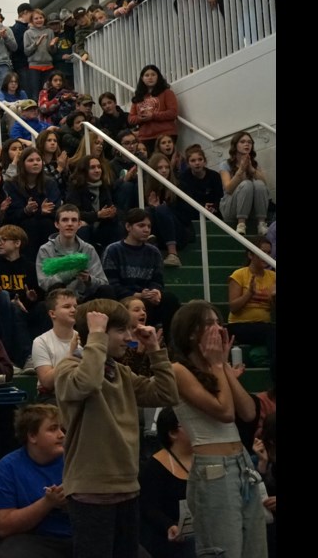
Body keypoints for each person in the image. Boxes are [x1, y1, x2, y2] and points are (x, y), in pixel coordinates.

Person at [55, 298, 178, 558]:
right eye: (120, 331)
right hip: (90, 490)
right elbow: (87, 383)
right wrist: (96, 336)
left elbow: (166, 394)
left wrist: (155, 349)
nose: (128, 338)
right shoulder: (69, 368)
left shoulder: (121, 372)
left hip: (127, 487)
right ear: (98, 332)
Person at [170, 300, 267, 558]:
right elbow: (224, 413)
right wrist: (216, 366)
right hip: (212, 468)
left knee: (255, 548)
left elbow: (247, 412)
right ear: (192, 332)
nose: (218, 329)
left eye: (219, 323)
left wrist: (222, 365)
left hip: (241, 463)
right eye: (209, 324)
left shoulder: (217, 368)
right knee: (225, 549)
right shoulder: (178, 370)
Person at [0, 404, 71, 558]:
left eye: (61, 429)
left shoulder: (74, 459)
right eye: (53, 429)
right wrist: (47, 503)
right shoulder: (8, 467)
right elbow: (2, 526)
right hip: (34, 540)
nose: (61, 435)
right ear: (32, 436)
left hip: (76, 536)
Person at [102, 208, 181, 330]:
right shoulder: (113, 250)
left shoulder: (154, 252)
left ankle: (168, 342)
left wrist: (155, 292)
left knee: (170, 299)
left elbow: (157, 280)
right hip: (123, 297)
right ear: (128, 227)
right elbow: (112, 284)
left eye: (149, 226)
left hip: (147, 296)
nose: (146, 230)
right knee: (135, 303)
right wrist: (137, 295)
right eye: (141, 225)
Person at [139, 407, 197, 558]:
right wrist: (169, 525)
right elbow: (148, 507)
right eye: (189, 423)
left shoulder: (203, 458)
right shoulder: (155, 465)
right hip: (171, 537)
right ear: (172, 433)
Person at [0, 224, 42, 367]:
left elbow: (38, 293)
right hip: (3, 308)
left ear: (17, 243)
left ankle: (44, 355)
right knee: (13, 308)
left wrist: (30, 298)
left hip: (26, 307)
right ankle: (26, 357)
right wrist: (13, 299)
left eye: (4, 239)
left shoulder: (29, 266)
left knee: (44, 307)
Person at [36, 204, 112, 302]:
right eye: (65, 220)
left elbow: (104, 283)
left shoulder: (88, 249)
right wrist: (70, 273)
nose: (70, 224)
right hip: (58, 301)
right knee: (55, 288)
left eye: (74, 220)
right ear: (56, 224)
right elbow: (44, 284)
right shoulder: (45, 249)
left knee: (106, 290)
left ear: (79, 224)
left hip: (84, 300)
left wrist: (89, 279)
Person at [227, 234, 276, 377]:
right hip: (241, 325)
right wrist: (249, 294)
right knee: (271, 332)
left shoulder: (273, 276)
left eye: (268, 253)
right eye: (262, 253)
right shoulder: (239, 275)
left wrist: (274, 299)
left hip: (264, 325)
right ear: (250, 255)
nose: (266, 256)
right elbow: (233, 308)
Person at [31, 289, 79, 404]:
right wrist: (70, 355)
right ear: (52, 313)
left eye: (75, 307)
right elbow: (47, 382)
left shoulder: (84, 336)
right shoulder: (41, 341)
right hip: (52, 398)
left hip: (79, 394)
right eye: (67, 307)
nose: (73, 310)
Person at [219, 132, 270, 235]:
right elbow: (228, 189)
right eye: (242, 142)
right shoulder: (225, 164)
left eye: (249, 142)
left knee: (259, 184)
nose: (247, 144)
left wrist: (251, 169)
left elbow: (264, 186)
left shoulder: (255, 164)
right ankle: (241, 224)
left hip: (250, 210)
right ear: (235, 145)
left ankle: (261, 224)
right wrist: (241, 170)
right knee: (246, 184)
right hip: (230, 208)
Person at [129, 65, 178, 151]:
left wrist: (153, 116)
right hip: (145, 138)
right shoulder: (138, 97)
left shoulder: (167, 93)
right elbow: (131, 119)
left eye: (153, 74)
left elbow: (173, 113)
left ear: (158, 77)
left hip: (166, 135)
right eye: (147, 75)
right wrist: (140, 118)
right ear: (142, 78)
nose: (150, 77)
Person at [177, 144, 224, 222]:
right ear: (188, 164)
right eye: (193, 161)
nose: (197, 163)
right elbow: (186, 201)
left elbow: (219, 196)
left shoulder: (214, 176)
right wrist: (202, 206)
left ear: (204, 161)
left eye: (200, 159)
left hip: (214, 213)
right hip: (193, 214)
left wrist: (214, 207)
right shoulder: (183, 178)